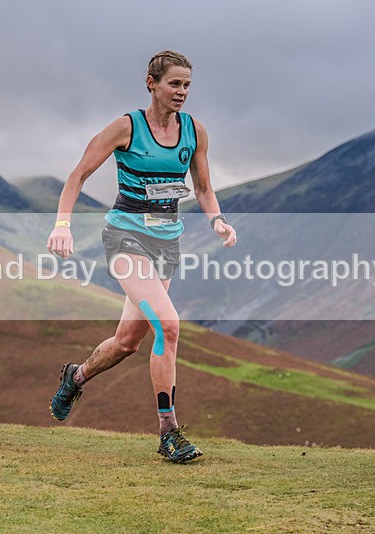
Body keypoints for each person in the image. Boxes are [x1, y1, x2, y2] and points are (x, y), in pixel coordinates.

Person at [47, 51, 236, 463]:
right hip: (125, 238)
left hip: (166, 245)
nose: (182, 92)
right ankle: (169, 432)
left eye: (187, 85)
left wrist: (217, 221)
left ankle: (75, 376)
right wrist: (62, 226)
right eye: (174, 84)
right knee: (168, 325)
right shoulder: (125, 127)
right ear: (151, 83)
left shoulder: (195, 132)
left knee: (127, 343)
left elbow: (203, 188)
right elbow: (77, 175)